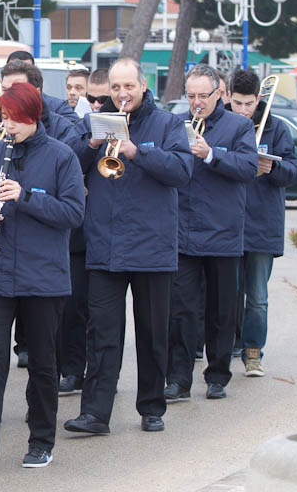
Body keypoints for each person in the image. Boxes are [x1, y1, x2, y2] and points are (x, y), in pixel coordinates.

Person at [0, 82, 85, 472]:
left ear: (34, 115)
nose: (7, 126)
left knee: (43, 362)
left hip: (44, 276)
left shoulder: (61, 157)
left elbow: (74, 214)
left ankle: (41, 441)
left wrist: (25, 198)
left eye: (15, 119)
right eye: (4, 118)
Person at [63, 58, 192, 435]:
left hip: (152, 246)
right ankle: (95, 414)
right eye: (115, 88)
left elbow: (183, 171)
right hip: (104, 245)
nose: (122, 94)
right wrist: (91, 143)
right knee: (101, 333)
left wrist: (138, 152)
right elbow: (68, 163)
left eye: (128, 87)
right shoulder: (93, 121)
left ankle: (152, 407)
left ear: (142, 85)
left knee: (152, 333)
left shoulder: (167, 123)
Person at [165, 64, 258, 403]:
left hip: (223, 232)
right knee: (183, 310)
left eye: (203, 96)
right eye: (191, 96)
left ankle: (218, 374)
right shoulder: (178, 124)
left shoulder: (239, 125)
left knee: (222, 310)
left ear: (219, 93)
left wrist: (212, 155)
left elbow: (249, 168)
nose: (197, 103)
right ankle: (178, 379)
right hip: (185, 232)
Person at [228, 70, 297, 377]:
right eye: (237, 103)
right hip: (227, 224)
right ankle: (226, 345)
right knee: (225, 296)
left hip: (261, 225)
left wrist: (272, 168)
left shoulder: (276, 128)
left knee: (257, 297)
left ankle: (253, 352)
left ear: (259, 99)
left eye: (248, 103)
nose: (243, 110)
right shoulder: (223, 125)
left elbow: (295, 172)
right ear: (228, 97)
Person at [57, 68, 109, 397]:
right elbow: (70, 162)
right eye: (92, 98)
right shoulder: (75, 126)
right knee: (73, 305)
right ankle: (73, 370)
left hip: (111, 230)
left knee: (103, 311)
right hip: (79, 232)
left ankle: (102, 375)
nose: (98, 104)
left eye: (105, 99)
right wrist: (92, 142)